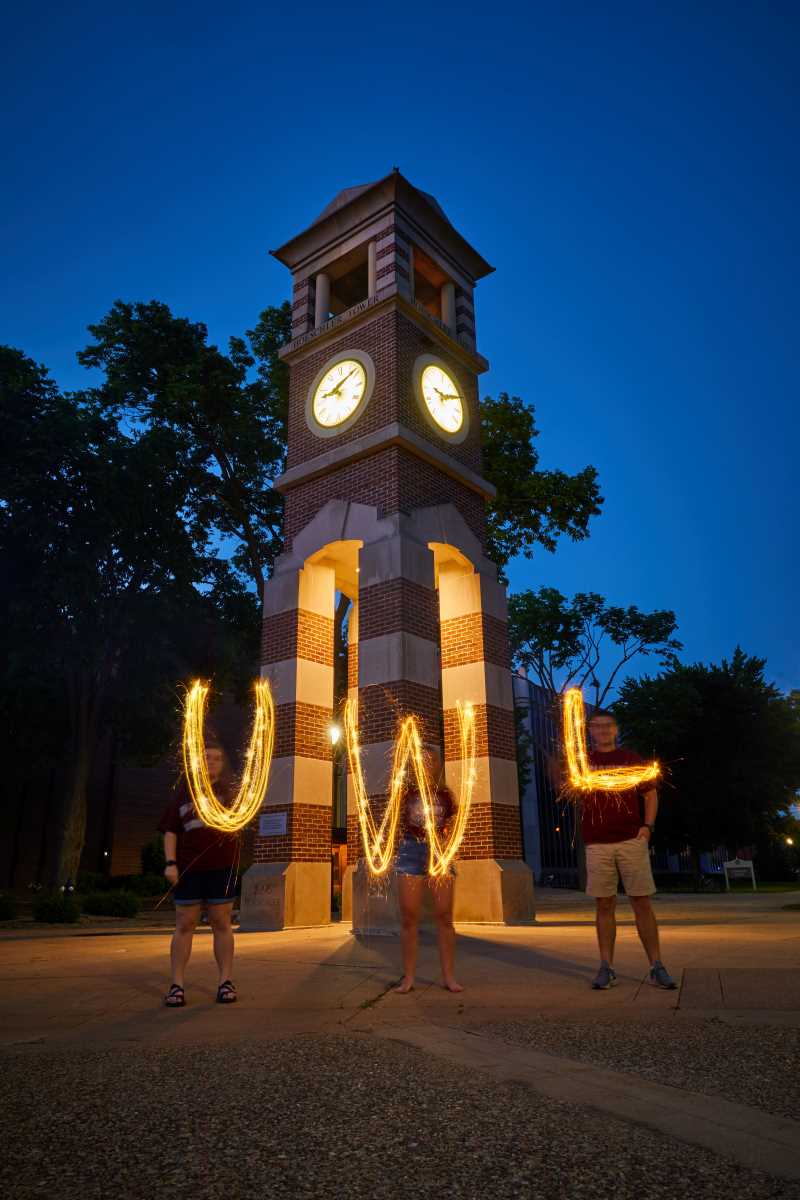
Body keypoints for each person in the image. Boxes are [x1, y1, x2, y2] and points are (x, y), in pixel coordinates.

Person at [582, 710, 677, 991]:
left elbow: (650, 794)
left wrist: (647, 827)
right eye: (597, 726)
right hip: (597, 842)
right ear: (590, 731)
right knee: (604, 904)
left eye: (607, 725)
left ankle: (657, 966)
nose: (602, 730)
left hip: (630, 840)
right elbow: (570, 787)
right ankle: (606, 967)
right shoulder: (583, 762)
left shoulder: (630, 759)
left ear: (616, 729)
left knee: (641, 902)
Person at [159, 742, 240, 1007]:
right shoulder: (185, 793)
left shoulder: (230, 793)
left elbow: (240, 825)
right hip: (189, 869)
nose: (212, 762)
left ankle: (225, 981)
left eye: (217, 758)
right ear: (198, 762)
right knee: (185, 924)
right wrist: (170, 863)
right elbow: (171, 831)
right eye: (207, 757)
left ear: (223, 764)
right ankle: (176, 985)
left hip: (221, 868)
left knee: (221, 923)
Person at [395, 753, 463, 994]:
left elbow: (454, 825)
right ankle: (409, 978)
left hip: (439, 852)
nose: (426, 765)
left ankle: (448, 976)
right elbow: (394, 823)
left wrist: (447, 846)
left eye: (431, 761)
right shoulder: (406, 793)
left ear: (438, 765)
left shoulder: (445, 795)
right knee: (408, 917)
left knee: (444, 916)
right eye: (421, 760)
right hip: (411, 851)